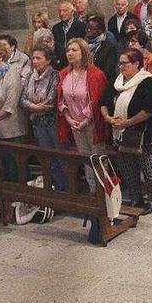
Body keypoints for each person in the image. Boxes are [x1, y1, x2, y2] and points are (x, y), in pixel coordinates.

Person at [101, 48, 152, 213]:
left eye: (124, 63)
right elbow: (103, 101)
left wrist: (128, 122)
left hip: (144, 134)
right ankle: (136, 198)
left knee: (149, 170)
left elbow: (151, 109)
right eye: (120, 63)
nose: (120, 66)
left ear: (137, 64)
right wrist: (108, 118)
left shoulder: (147, 81)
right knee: (128, 169)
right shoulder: (118, 82)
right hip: (121, 134)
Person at [56, 38, 108, 190]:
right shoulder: (64, 73)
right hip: (74, 123)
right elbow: (61, 98)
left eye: (74, 50)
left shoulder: (95, 74)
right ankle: (93, 192)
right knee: (86, 159)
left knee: (98, 159)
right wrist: (68, 118)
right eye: (68, 50)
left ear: (84, 52)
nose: (70, 53)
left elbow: (97, 100)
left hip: (92, 124)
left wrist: (85, 120)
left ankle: (104, 195)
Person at [20, 46, 67, 191]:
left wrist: (34, 106)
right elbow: (23, 99)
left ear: (48, 60)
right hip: (38, 122)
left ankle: (66, 187)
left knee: (61, 155)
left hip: (53, 122)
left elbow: (51, 100)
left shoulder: (55, 75)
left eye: (38, 58)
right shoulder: (29, 76)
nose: (34, 61)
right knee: (47, 156)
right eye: (33, 58)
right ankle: (55, 186)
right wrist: (35, 107)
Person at [51, 0, 86, 71]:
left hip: (76, 62)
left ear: (72, 12)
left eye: (65, 11)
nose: (61, 13)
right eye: (60, 11)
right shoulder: (56, 28)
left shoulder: (81, 26)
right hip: (60, 63)